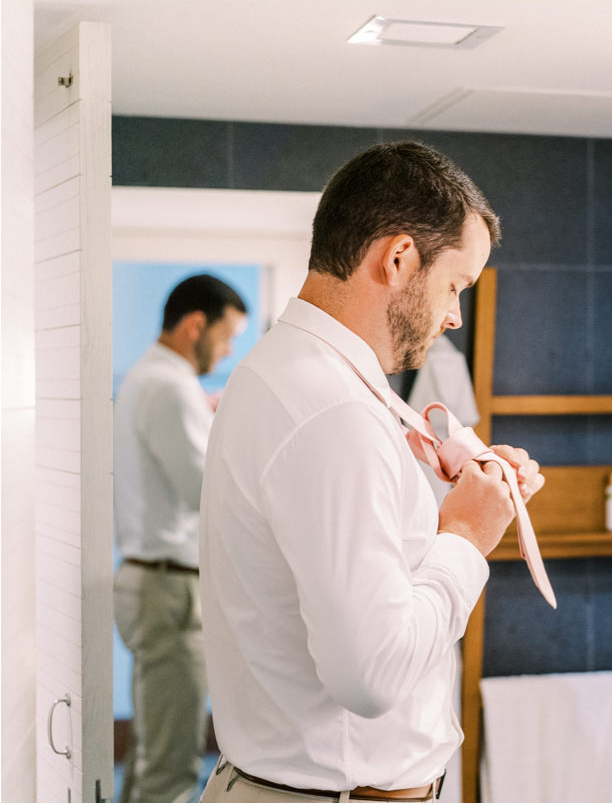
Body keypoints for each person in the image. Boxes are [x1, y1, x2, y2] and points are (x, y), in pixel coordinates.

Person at [198, 140, 544, 803]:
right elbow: (371, 675)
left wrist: (446, 490)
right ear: (397, 257)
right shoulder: (333, 412)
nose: (453, 316)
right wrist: (467, 535)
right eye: (454, 286)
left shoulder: (291, 373)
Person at [113, 274, 248, 803]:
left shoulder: (152, 379)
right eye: (228, 335)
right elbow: (206, 491)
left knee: (153, 755)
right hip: (169, 592)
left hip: (154, 583)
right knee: (171, 770)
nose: (230, 348)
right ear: (196, 325)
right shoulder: (169, 386)